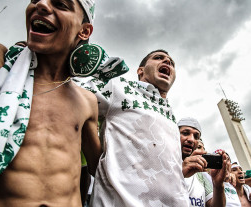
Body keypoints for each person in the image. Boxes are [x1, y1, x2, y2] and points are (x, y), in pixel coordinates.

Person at [0, 0, 103, 206]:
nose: (41, 4)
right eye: (35, 0)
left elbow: (100, 170)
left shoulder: (87, 101)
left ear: (84, 31)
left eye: (60, 4)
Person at [74, 49, 190, 206]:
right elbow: (73, 98)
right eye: (158, 58)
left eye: (172, 63)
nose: (167, 62)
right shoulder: (119, 87)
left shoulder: (170, 113)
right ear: (140, 70)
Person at [178, 117, 227, 207]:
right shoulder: (162, 165)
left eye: (196, 136)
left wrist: (218, 185)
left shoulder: (200, 174)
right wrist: (180, 174)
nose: (191, 139)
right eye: (185, 133)